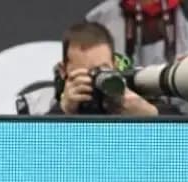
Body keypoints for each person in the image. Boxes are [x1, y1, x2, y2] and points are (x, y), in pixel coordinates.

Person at [46, 21, 178, 115]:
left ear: (114, 64)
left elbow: (183, 133)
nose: (95, 79)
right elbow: (40, 141)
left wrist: (150, 115)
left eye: (102, 70)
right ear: (63, 71)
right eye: (86, 73)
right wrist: (65, 112)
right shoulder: (59, 102)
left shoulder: (129, 93)